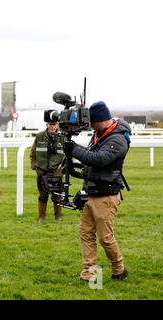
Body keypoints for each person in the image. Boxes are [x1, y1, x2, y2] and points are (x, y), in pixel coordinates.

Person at [63, 101, 131, 281]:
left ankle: (119, 269)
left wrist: (75, 150)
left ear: (100, 120)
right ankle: (89, 272)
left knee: (105, 238)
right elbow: (90, 159)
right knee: (85, 233)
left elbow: (100, 159)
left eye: (91, 121)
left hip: (106, 196)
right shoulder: (99, 134)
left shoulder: (117, 139)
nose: (89, 125)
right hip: (90, 191)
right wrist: (74, 160)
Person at [30, 113, 66, 222]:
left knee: (56, 195)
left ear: (58, 125)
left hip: (56, 172)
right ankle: (41, 217)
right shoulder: (39, 136)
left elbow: (66, 156)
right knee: (43, 195)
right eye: (50, 124)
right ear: (47, 124)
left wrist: (61, 170)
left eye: (54, 124)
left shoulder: (62, 138)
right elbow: (32, 153)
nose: (52, 126)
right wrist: (35, 167)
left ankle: (58, 216)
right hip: (41, 171)